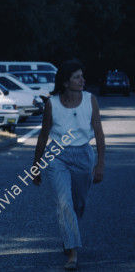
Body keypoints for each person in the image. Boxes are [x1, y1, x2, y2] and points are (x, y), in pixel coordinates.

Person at [32, 60, 105, 270]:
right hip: (57, 155)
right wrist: (35, 167)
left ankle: (69, 233)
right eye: (77, 77)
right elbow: (43, 135)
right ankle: (72, 250)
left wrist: (100, 164)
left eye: (82, 76)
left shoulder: (90, 100)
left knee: (78, 204)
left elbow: (98, 132)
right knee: (64, 203)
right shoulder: (51, 104)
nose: (82, 80)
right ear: (65, 82)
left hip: (83, 154)